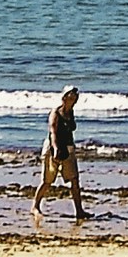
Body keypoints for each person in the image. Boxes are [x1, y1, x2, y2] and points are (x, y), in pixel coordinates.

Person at [35, 86, 86, 220]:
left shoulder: (71, 112)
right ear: (64, 97)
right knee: (47, 181)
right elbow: (53, 131)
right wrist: (56, 148)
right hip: (53, 148)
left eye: (75, 96)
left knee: (74, 180)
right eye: (71, 95)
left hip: (68, 148)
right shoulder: (56, 112)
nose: (74, 97)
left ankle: (79, 211)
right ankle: (35, 206)